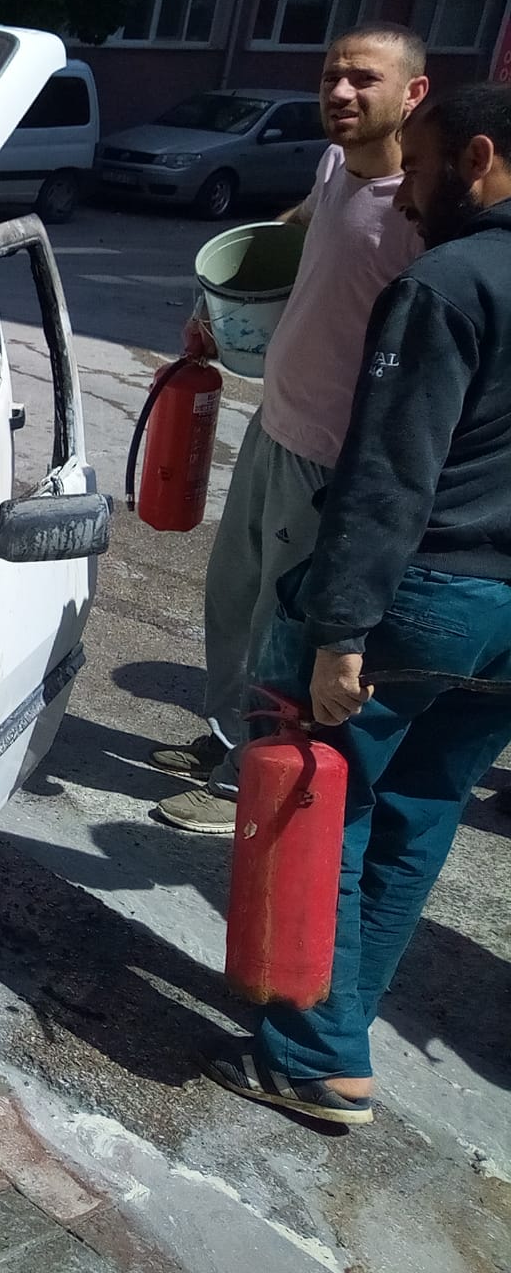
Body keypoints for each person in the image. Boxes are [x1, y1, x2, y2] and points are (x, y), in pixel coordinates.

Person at [204, 82, 511, 1125]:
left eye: (418, 171)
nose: (408, 199)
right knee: (418, 816)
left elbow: (388, 474)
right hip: (502, 626)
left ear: (476, 159)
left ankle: (311, 1054)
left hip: (420, 593)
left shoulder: (448, 282)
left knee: (317, 801)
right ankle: (334, 1031)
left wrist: (338, 631)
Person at [149, 25, 428, 833]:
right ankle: (224, 736)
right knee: (233, 599)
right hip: (275, 424)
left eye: (363, 80)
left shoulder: (417, 212)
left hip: (332, 457)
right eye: (332, 76)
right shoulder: (335, 164)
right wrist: (219, 311)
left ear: (412, 93)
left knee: (285, 627)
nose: (340, 93)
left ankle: (253, 783)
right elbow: (300, 226)